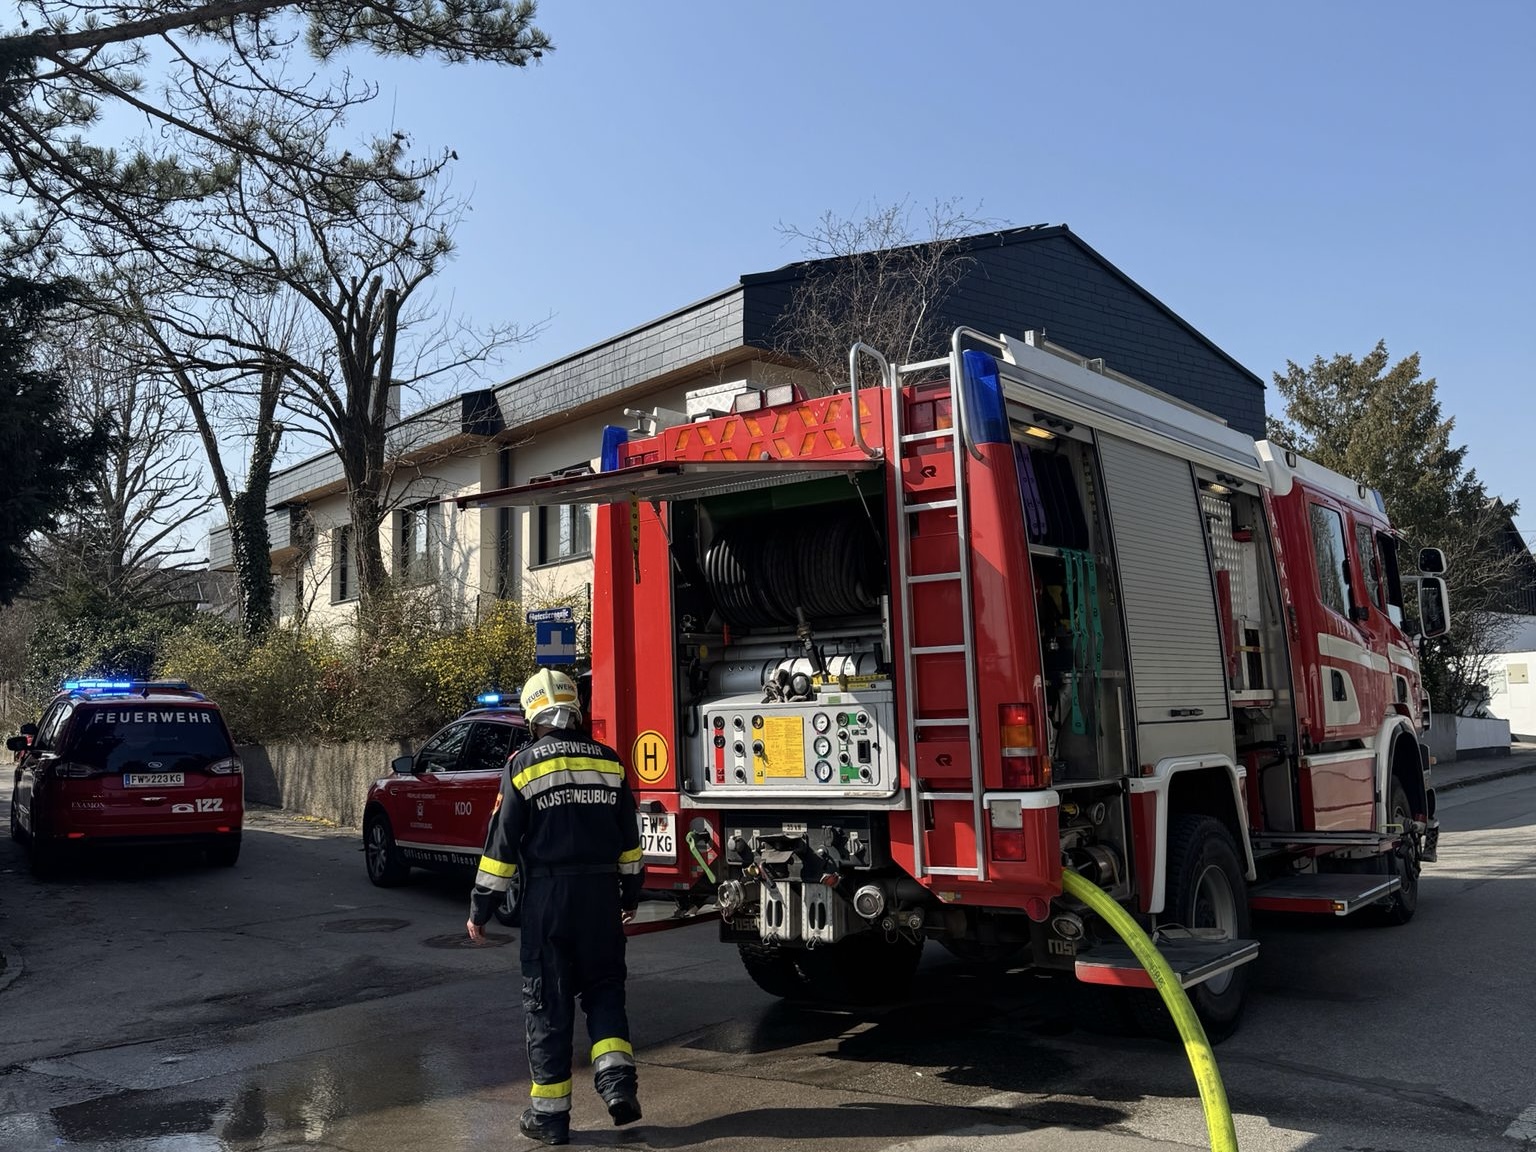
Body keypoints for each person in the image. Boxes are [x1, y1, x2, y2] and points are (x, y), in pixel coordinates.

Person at [466, 668, 645, 1147]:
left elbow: (501, 848)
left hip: (548, 900)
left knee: (548, 1004)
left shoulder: (522, 765)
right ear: (575, 710)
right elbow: (630, 841)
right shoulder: (609, 762)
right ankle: (618, 1087)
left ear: (532, 717)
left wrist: (481, 908)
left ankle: (549, 1118)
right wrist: (630, 895)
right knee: (605, 991)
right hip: (601, 897)